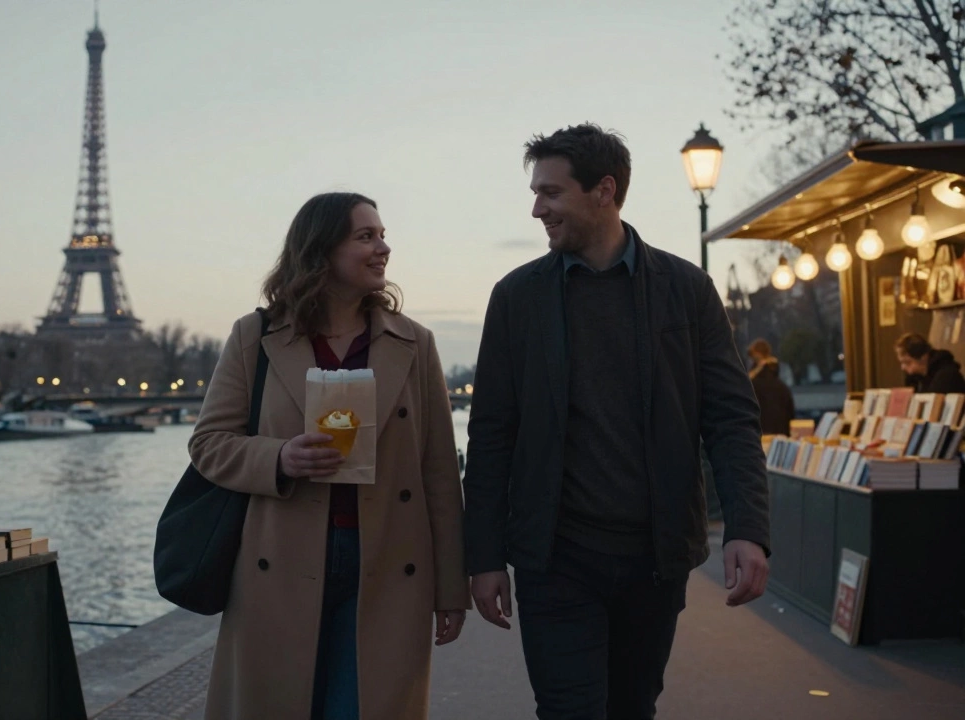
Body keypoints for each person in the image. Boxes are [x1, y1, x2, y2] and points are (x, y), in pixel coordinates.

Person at [462, 124, 771, 719]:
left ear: (604, 191)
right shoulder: (517, 298)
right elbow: (492, 434)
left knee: (633, 708)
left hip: (654, 558)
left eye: (551, 193)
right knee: (569, 710)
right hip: (554, 558)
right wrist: (483, 555)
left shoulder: (686, 290)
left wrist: (747, 527)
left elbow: (731, 417)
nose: (537, 209)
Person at [188, 192, 469, 720]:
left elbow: (437, 473)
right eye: (366, 237)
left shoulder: (415, 344)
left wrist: (450, 588)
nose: (383, 248)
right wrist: (280, 459)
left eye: (382, 235)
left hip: (389, 563)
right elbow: (208, 444)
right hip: (279, 565)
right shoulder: (256, 338)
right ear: (321, 251)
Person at [747, 338, 795, 436]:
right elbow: (790, 416)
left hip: (757, 440)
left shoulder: (751, 386)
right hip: (780, 441)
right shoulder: (783, 388)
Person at [895, 332, 965, 394]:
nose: (903, 367)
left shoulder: (946, 376)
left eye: (907, 362)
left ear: (922, 357)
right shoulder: (915, 379)